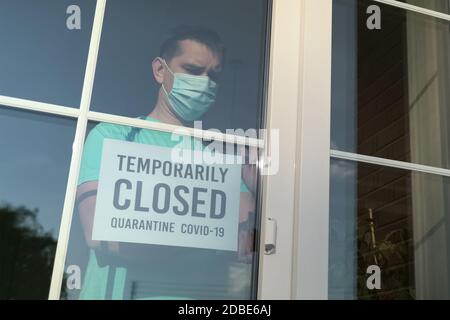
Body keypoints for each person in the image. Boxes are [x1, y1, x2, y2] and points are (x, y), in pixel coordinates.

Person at [75, 26, 257, 300]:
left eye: (214, 75)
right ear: (160, 71)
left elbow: (248, 242)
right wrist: (211, 234)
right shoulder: (113, 135)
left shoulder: (222, 155)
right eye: (194, 70)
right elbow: (99, 234)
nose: (205, 83)